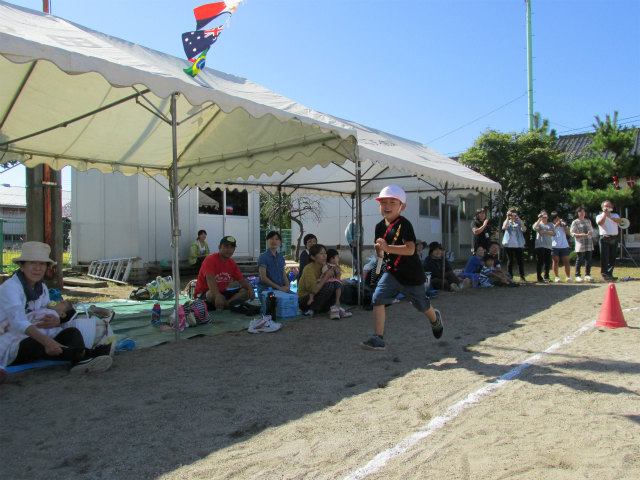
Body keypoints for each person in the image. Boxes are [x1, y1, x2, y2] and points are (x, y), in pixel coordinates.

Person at [0, 242, 112, 378]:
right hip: (9, 340)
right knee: (36, 343)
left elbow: (45, 310)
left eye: (42, 264)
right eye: (32, 263)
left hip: (34, 333)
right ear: (22, 266)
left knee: (72, 333)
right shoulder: (10, 288)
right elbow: (19, 323)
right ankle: (84, 355)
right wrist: (47, 341)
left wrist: (56, 320)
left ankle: (79, 360)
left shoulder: (41, 288)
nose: (37, 268)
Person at [360, 185, 443, 351]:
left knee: (421, 305)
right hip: (392, 273)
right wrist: (379, 254)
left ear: (402, 207)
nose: (387, 206)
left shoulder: (404, 224)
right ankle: (378, 338)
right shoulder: (379, 226)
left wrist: (387, 247)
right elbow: (381, 253)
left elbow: (410, 249)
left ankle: (435, 319)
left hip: (412, 275)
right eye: (383, 202)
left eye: (392, 202)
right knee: (377, 298)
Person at [194, 236, 256, 311]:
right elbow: (210, 279)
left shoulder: (232, 263)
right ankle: (226, 303)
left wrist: (250, 288)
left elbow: (241, 281)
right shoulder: (210, 259)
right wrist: (217, 295)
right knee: (211, 294)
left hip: (222, 293)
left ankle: (226, 303)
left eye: (232, 247)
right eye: (226, 246)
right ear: (219, 247)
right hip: (205, 294)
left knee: (246, 292)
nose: (229, 250)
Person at [297, 244, 349, 319]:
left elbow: (336, 282)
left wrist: (338, 274)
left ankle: (333, 308)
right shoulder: (308, 269)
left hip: (319, 300)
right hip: (306, 301)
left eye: (325, 253)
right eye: (321, 254)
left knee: (339, 286)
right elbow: (313, 290)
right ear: (313, 257)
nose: (324, 256)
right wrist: (326, 276)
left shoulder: (326, 266)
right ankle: (312, 309)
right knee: (329, 286)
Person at [257, 231, 291, 299]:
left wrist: (287, 287)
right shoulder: (263, 257)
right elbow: (263, 278)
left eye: (277, 239)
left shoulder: (281, 257)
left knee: (295, 299)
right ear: (267, 241)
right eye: (271, 238)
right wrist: (279, 288)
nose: (274, 241)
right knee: (278, 301)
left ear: (280, 242)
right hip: (267, 290)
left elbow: (283, 274)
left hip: (280, 289)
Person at [596, 199, 621, 281]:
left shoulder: (615, 215)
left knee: (612, 258)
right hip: (605, 238)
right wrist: (605, 215)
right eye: (606, 206)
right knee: (605, 257)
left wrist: (610, 216)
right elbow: (600, 223)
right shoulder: (599, 216)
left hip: (614, 238)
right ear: (603, 207)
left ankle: (610, 274)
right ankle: (604, 274)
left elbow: (620, 221)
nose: (608, 207)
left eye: (610, 206)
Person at [501, 208, 527, 282]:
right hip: (508, 244)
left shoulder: (519, 222)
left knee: (520, 261)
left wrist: (518, 218)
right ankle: (510, 275)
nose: (512, 216)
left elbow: (524, 229)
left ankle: (522, 276)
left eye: (513, 214)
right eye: (511, 214)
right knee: (510, 261)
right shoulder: (507, 221)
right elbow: (504, 227)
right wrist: (507, 217)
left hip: (518, 244)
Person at [570, 206, 594, 282]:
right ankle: (577, 275)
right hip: (580, 243)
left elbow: (591, 230)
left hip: (588, 242)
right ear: (577, 213)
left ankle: (587, 274)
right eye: (580, 212)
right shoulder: (575, 222)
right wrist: (580, 235)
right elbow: (572, 233)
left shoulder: (588, 221)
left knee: (589, 259)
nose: (582, 213)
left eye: (583, 211)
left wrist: (590, 232)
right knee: (580, 259)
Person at [533, 210, 555, 282]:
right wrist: (539, 219)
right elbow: (534, 228)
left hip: (548, 245)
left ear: (548, 217)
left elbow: (553, 233)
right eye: (543, 215)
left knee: (547, 262)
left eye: (545, 215)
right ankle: (539, 277)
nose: (544, 217)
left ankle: (546, 276)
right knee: (540, 261)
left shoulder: (550, 224)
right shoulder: (538, 223)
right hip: (540, 245)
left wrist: (545, 231)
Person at [550, 211, 572, 282]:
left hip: (564, 245)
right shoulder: (551, 225)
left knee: (567, 261)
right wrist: (557, 224)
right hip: (555, 245)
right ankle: (557, 277)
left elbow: (569, 233)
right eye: (556, 218)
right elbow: (551, 231)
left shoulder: (563, 225)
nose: (558, 219)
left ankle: (568, 277)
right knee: (556, 261)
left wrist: (564, 226)